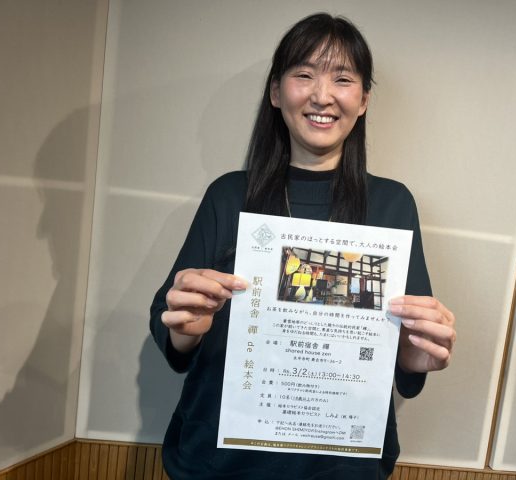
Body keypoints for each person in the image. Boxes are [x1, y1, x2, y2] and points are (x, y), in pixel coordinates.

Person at [150, 12, 456, 480]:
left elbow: (408, 359)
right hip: (220, 462)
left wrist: (416, 355)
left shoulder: (392, 204)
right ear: (276, 92)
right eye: (305, 75)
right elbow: (172, 335)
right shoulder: (229, 195)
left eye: (343, 79)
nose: (322, 95)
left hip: (342, 467)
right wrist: (186, 328)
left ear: (363, 100)